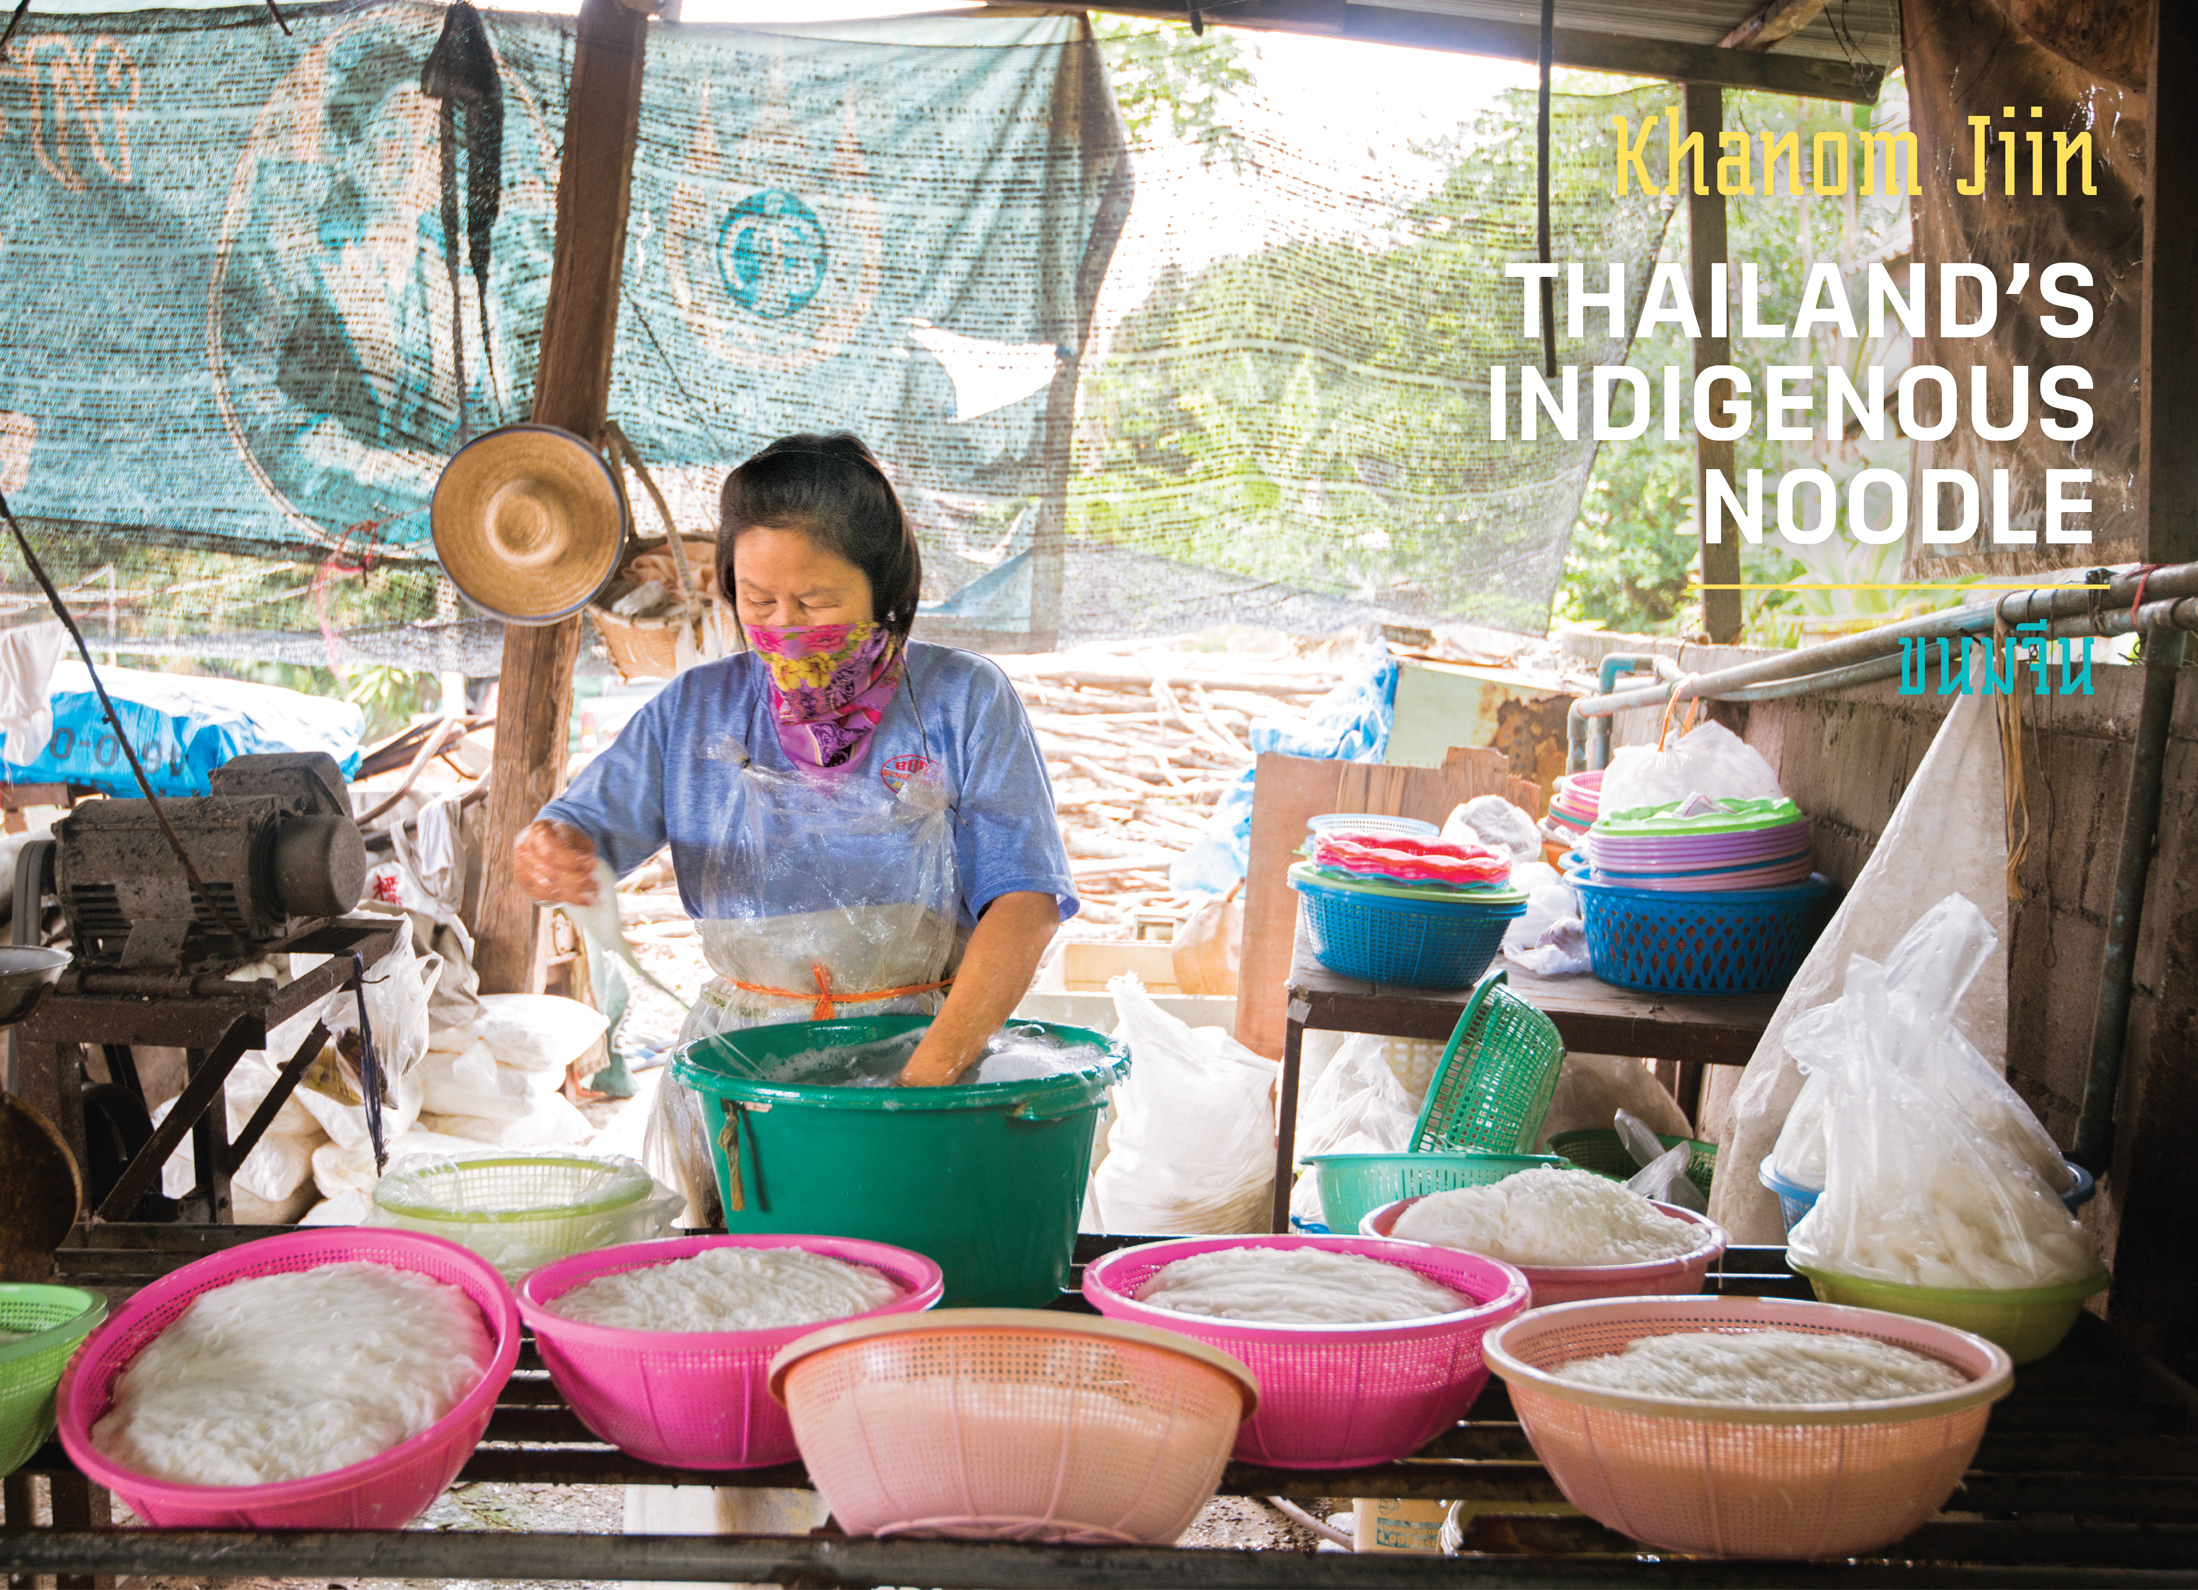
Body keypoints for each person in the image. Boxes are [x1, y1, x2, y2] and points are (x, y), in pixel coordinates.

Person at [514, 430, 1076, 1214]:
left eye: (816, 601)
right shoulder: (696, 710)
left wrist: (924, 1078)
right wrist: (550, 850)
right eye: (758, 600)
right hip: (742, 1079)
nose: (785, 625)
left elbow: (1025, 904)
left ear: (884, 586)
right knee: (755, 1284)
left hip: (932, 1056)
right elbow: (574, 830)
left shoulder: (963, 701)